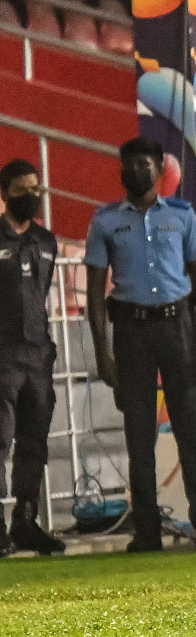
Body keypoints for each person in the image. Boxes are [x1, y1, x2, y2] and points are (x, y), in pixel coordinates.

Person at [85, 137, 196, 553]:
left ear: (160, 169)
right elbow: (95, 292)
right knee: (139, 434)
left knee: (191, 431)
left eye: (145, 164)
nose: (137, 171)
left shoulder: (182, 215)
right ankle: (145, 530)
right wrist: (102, 351)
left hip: (179, 328)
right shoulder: (105, 220)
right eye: (129, 164)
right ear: (121, 170)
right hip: (130, 333)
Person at [0, 159, 64, 555]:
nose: (32, 198)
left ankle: (25, 520)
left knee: (33, 443)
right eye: (23, 190)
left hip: (38, 357)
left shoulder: (46, 241)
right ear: (5, 194)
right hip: (2, 356)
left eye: (36, 190)